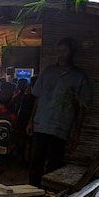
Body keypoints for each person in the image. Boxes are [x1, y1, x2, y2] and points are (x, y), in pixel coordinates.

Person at [27, 38, 92, 187]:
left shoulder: (79, 77)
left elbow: (82, 107)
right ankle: (32, 192)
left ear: (72, 53)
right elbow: (37, 98)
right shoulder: (48, 72)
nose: (60, 54)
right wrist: (30, 121)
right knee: (36, 161)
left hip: (61, 127)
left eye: (64, 51)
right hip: (41, 124)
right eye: (59, 51)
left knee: (54, 163)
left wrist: (77, 132)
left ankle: (48, 195)